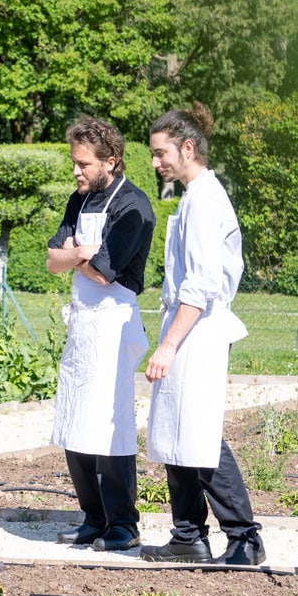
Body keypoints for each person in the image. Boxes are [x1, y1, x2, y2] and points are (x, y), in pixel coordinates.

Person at [139, 103, 266, 567]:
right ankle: (188, 535)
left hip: (198, 329)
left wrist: (169, 344)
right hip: (188, 324)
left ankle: (244, 538)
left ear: (187, 148)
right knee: (176, 431)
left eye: (160, 153)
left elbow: (201, 282)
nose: (155, 163)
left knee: (198, 432)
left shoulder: (207, 199)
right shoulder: (193, 196)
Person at [45, 117, 155, 553]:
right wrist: (79, 253)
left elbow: (107, 273)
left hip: (114, 323)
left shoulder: (134, 207)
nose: (76, 171)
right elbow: (53, 259)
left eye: (83, 164)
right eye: (74, 162)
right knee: (75, 420)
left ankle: (123, 524)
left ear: (110, 161)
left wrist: (77, 256)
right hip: (82, 322)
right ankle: (92, 518)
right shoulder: (80, 199)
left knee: (110, 425)